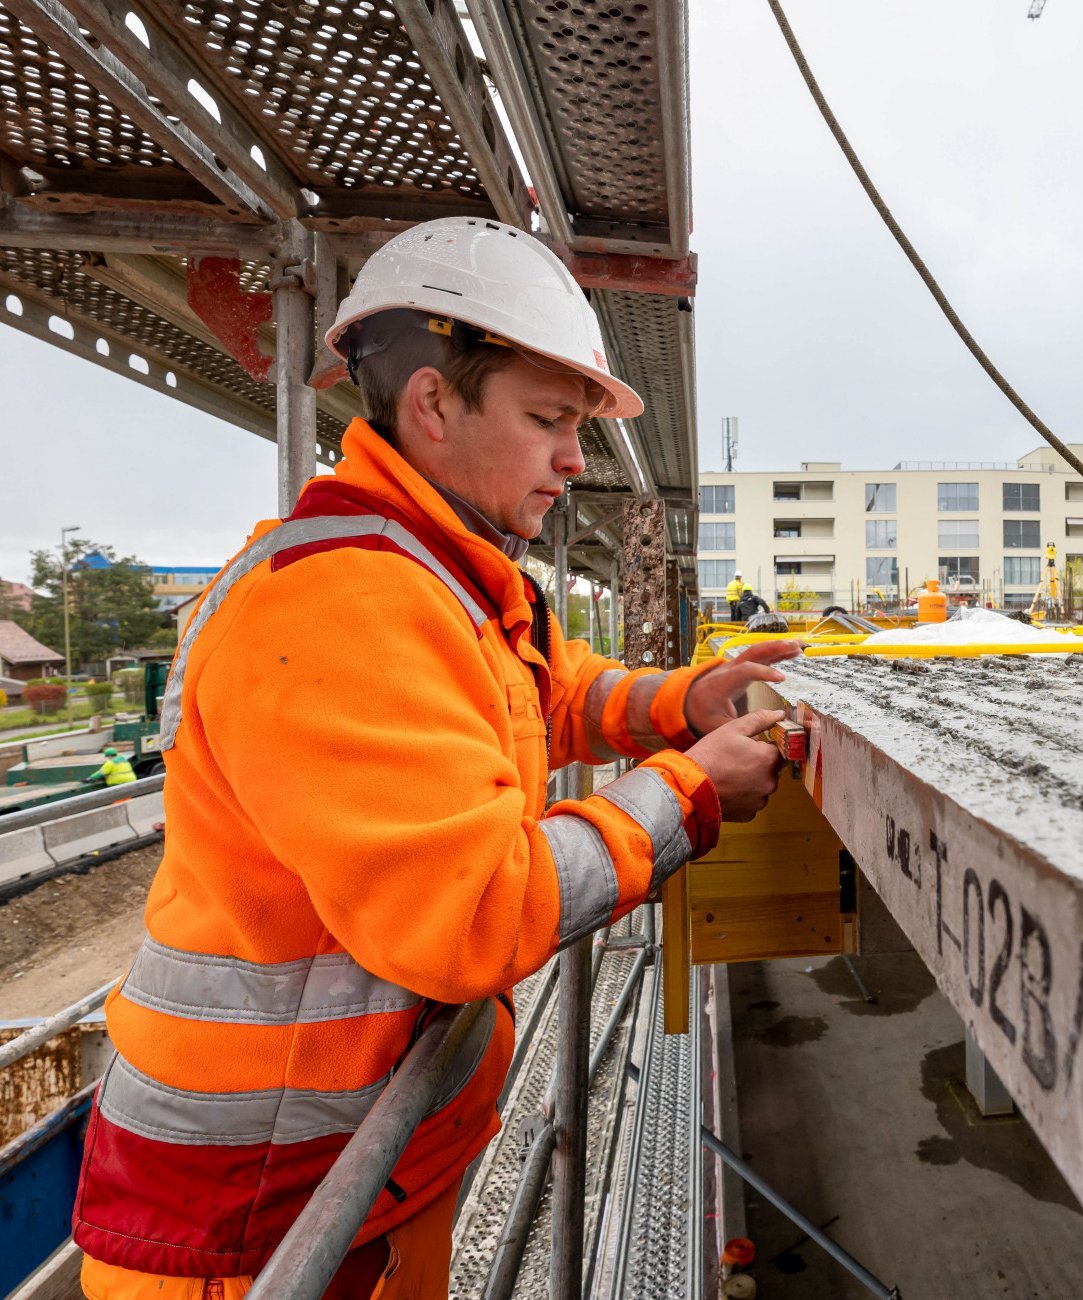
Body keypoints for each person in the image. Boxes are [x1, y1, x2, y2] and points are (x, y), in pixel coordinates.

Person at [73, 218, 800, 1299]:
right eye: (548, 419)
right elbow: (471, 914)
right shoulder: (346, 606)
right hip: (259, 1224)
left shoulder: (442, 578)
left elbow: (550, 696)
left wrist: (682, 700)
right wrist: (689, 790)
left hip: (353, 1170)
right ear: (433, 405)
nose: (573, 459)